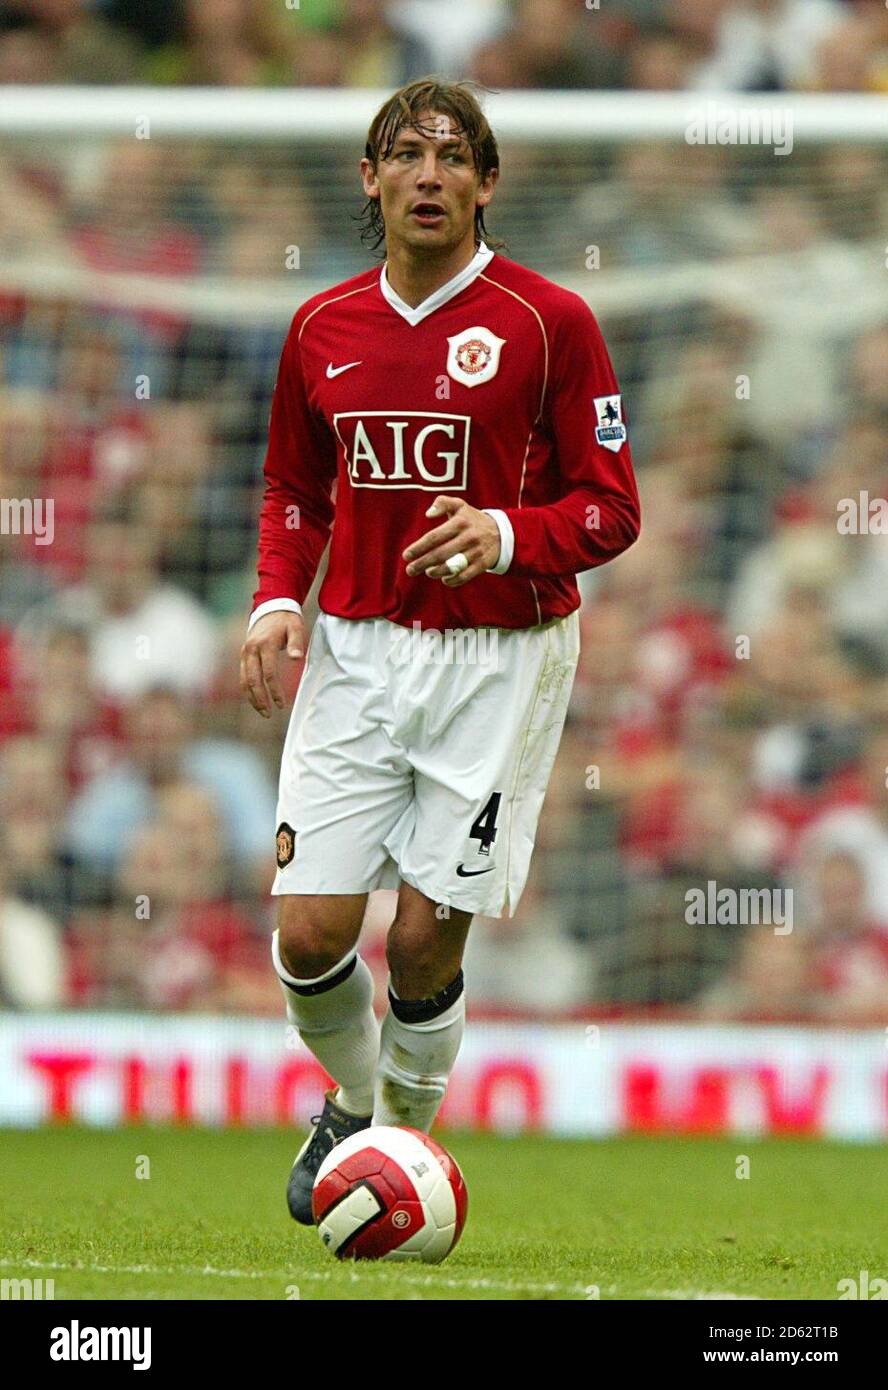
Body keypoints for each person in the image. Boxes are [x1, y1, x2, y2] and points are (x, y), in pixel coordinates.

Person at [239, 77, 640, 1224]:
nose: (430, 175)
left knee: (419, 942)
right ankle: (366, 1115)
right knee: (310, 930)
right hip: (358, 653)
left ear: (486, 183)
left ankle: (398, 1156)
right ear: (370, 179)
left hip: (500, 656)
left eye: (454, 157)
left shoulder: (548, 322)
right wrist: (277, 599)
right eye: (407, 156)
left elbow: (613, 510)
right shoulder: (321, 327)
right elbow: (292, 487)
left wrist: (508, 532)